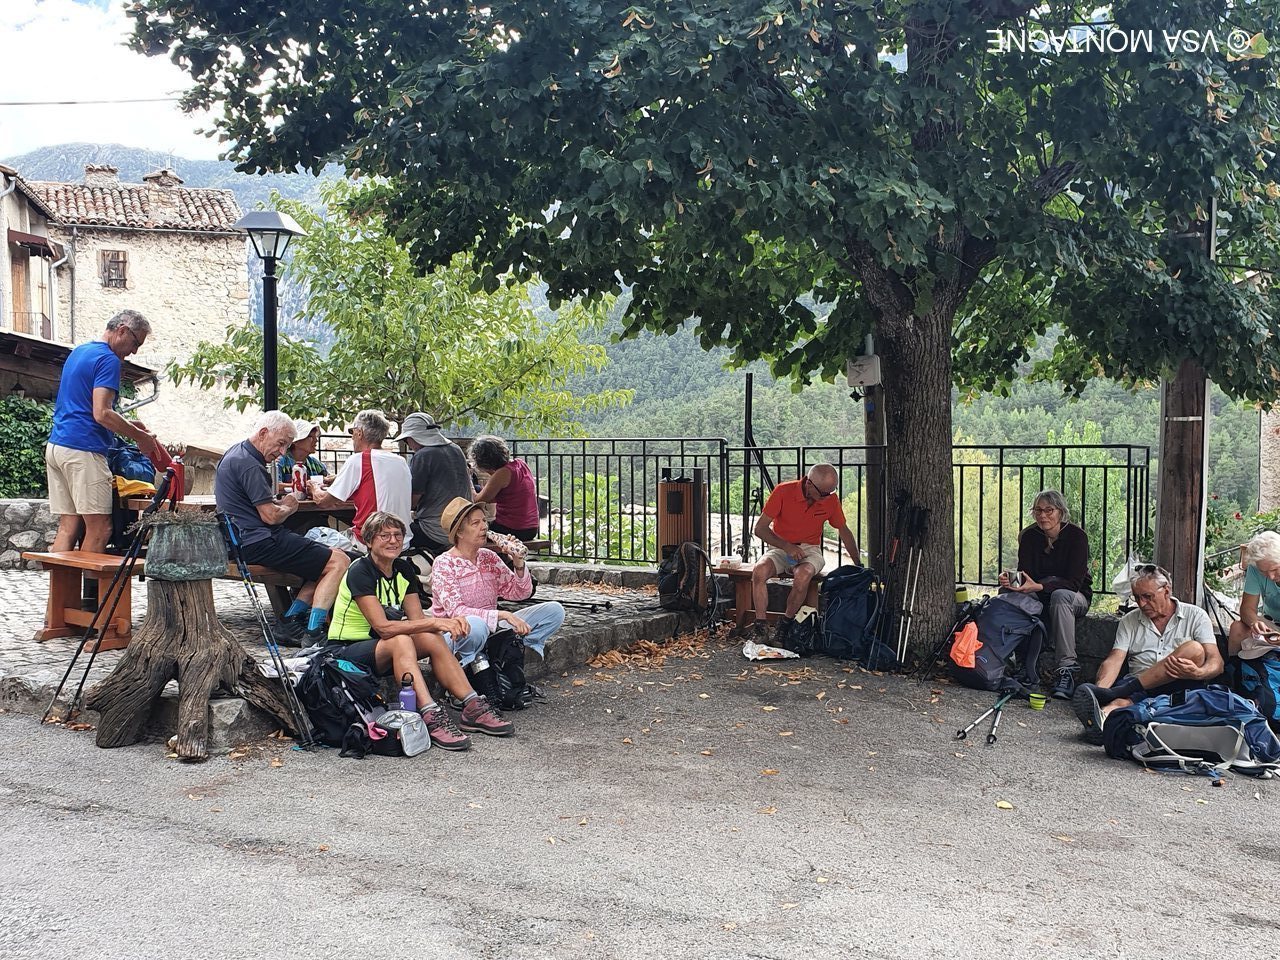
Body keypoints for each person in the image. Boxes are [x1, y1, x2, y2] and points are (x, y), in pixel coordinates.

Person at [327, 511, 513, 749]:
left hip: (383, 649)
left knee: (429, 637)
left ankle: (472, 705)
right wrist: (437, 622)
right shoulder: (360, 570)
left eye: (398, 535)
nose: (393, 541)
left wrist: (437, 626)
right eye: (385, 536)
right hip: (345, 651)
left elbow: (417, 620)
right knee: (403, 639)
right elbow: (383, 628)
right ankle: (430, 714)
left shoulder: (402, 569)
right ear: (370, 541)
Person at [214, 410, 349, 645]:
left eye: (287, 445)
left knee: (333, 558)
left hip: (244, 539)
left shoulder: (237, 453)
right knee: (339, 562)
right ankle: (312, 631)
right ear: (263, 433)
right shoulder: (249, 464)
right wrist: (289, 506)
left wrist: (280, 505)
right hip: (258, 541)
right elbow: (270, 516)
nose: (282, 451)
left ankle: (290, 621)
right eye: (281, 443)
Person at [45, 310, 161, 558]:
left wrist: (130, 424)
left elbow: (85, 406)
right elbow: (102, 413)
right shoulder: (108, 360)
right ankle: (91, 586)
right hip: (83, 450)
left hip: (57, 446)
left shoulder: (80, 351)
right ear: (122, 330)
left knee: (69, 526)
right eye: (135, 343)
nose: (134, 352)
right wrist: (141, 438)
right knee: (100, 529)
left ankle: (60, 587)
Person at [1071, 564, 1222, 744]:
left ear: (1166, 591)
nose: (1142, 604)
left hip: (1179, 683)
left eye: (1148, 597)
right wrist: (1100, 691)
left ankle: (1118, 702)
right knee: (1120, 704)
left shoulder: (1196, 615)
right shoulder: (1130, 620)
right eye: (1137, 597)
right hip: (1138, 683)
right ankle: (1101, 720)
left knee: (1194, 649)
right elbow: (1115, 660)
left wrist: (1199, 672)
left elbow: (1216, 662)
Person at [430, 496, 565, 671]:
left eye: (484, 521)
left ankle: (516, 649)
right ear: (460, 533)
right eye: (475, 523)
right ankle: (468, 661)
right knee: (475, 625)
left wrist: (518, 561)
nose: (484, 527)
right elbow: (457, 612)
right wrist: (502, 615)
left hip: (492, 629)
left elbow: (520, 593)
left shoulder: (488, 557)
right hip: (458, 632)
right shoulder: (444, 563)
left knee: (554, 611)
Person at [748, 463, 860, 646]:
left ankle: (784, 626)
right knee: (759, 571)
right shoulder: (783, 491)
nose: (826, 497)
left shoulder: (830, 500)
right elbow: (760, 529)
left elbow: (844, 531)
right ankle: (761, 627)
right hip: (780, 547)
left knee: (803, 575)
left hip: (810, 549)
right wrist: (787, 546)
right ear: (808, 483)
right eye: (823, 493)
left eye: (830, 492)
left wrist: (858, 563)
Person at [999, 489, 1092, 699]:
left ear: (1061, 512)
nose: (1043, 515)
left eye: (1049, 510)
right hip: (1039, 593)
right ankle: (1017, 660)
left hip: (1073, 596)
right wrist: (1011, 581)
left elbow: (1074, 583)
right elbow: (1026, 574)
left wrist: (1040, 587)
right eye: (1038, 510)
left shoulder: (1077, 537)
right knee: (1007, 595)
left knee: (1060, 597)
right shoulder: (1029, 536)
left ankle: (1066, 669)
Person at [307, 410, 412, 546]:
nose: (352, 438)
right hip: (403, 541)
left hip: (372, 543)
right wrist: (339, 478)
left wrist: (314, 487)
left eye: (352, 432)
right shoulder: (400, 462)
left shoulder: (359, 460)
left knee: (313, 535)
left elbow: (323, 502)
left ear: (359, 433)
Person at [401, 412, 473, 557]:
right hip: (464, 527)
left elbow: (412, 502)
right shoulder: (456, 449)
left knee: (392, 534)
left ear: (413, 437)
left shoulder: (423, 455)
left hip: (435, 532)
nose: (408, 446)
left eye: (406, 440)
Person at [470, 435, 540, 541]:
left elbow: (477, 500)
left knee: (471, 532)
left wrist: (468, 480)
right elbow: (505, 496)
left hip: (513, 529)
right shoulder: (521, 464)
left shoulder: (503, 473)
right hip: (531, 529)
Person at [1227, 531, 1280, 661]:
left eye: (1275, 569)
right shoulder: (1255, 568)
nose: (1271, 576)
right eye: (1264, 572)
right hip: (1272, 625)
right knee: (1237, 629)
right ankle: (1236, 669)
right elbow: (1247, 608)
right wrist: (1254, 622)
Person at [276, 418, 333, 487]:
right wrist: (303, 485)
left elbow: (328, 480)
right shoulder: (280, 461)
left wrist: (331, 479)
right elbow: (275, 485)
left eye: (315, 437)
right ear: (295, 441)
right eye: (310, 437)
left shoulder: (316, 464)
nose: (316, 440)